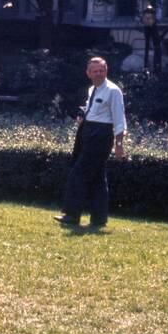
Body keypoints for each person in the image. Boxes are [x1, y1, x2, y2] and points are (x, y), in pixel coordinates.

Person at [56, 56, 126, 230]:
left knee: (77, 174)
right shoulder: (91, 90)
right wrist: (82, 114)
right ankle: (99, 218)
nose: (99, 73)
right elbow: (91, 108)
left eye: (102, 70)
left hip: (101, 136)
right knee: (97, 178)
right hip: (88, 132)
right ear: (88, 73)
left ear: (106, 70)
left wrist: (119, 144)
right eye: (95, 71)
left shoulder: (113, 91)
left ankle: (72, 215)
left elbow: (119, 118)